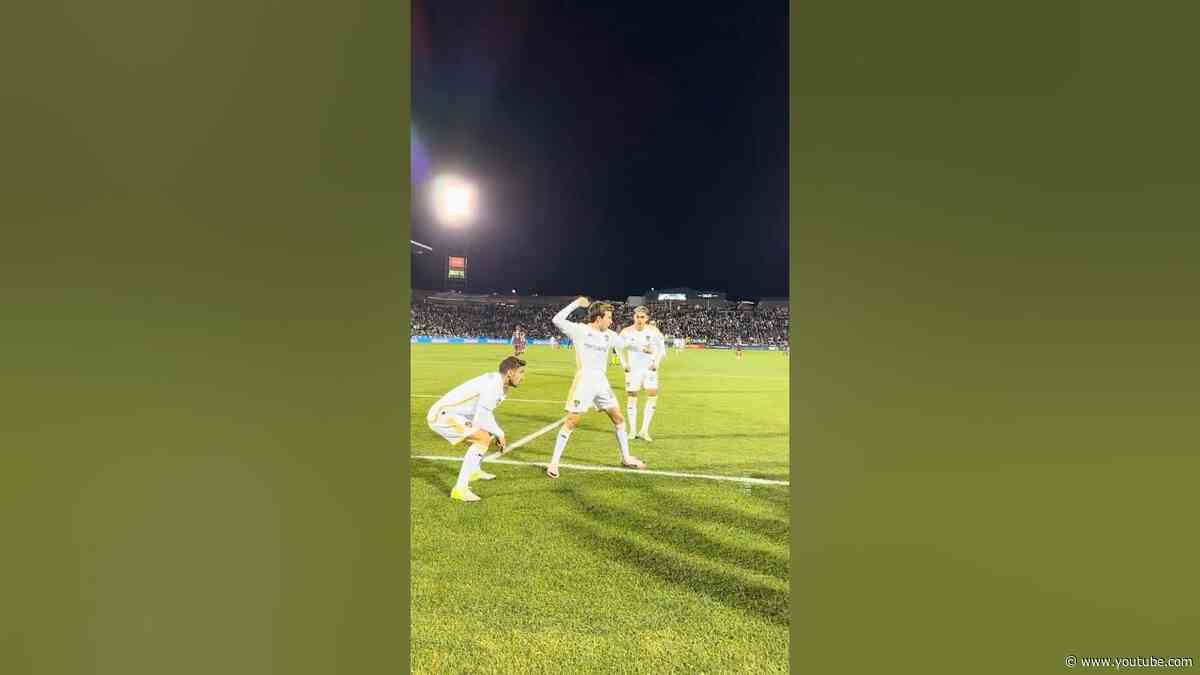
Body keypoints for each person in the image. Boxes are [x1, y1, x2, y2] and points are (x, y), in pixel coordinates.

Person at [546, 297, 644, 478]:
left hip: (601, 382)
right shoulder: (580, 331)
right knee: (571, 421)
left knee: (618, 418)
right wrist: (576, 304)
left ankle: (626, 457)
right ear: (598, 318)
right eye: (608, 317)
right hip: (585, 381)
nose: (611, 320)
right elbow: (557, 320)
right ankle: (553, 463)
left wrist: (644, 348)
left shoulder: (609, 335)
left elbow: (626, 344)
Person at [425, 356, 526, 502]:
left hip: (456, 414)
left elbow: (485, 414)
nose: (522, 377)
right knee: (482, 438)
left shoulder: (501, 386)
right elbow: (481, 417)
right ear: (510, 372)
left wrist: (495, 431)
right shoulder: (494, 385)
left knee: (487, 434)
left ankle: (474, 471)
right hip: (442, 415)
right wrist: (500, 433)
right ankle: (460, 489)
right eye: (521, 372)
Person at [620, 306, 665, 441]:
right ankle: (632, 431)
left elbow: (661, 347)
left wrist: (656, 363)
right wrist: (624, 364)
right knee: (632, 396)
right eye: (637, 317)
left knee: (652, 394)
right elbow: (618, 347)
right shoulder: (626, 332)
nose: (640, 319)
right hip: (633, 369)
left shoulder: (653, 331)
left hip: (648, 369)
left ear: (647, 318)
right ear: (633, 317)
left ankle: (644, 430)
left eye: (642, 317)